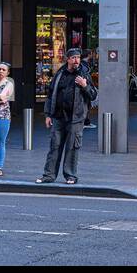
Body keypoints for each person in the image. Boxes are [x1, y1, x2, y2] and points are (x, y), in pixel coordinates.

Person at [38, 47, 94, 185]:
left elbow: (93, 95)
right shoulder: (60, 74)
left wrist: (85, 85)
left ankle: (70, 176)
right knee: (54, 146)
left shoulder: (84, 74)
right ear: (68, 59)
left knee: (72, 147)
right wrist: (48, 115)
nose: (76, 61)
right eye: (74, 58)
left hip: (76, 118)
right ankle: (48, 175)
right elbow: (51, 95)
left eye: (78, 58)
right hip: (58, 117)